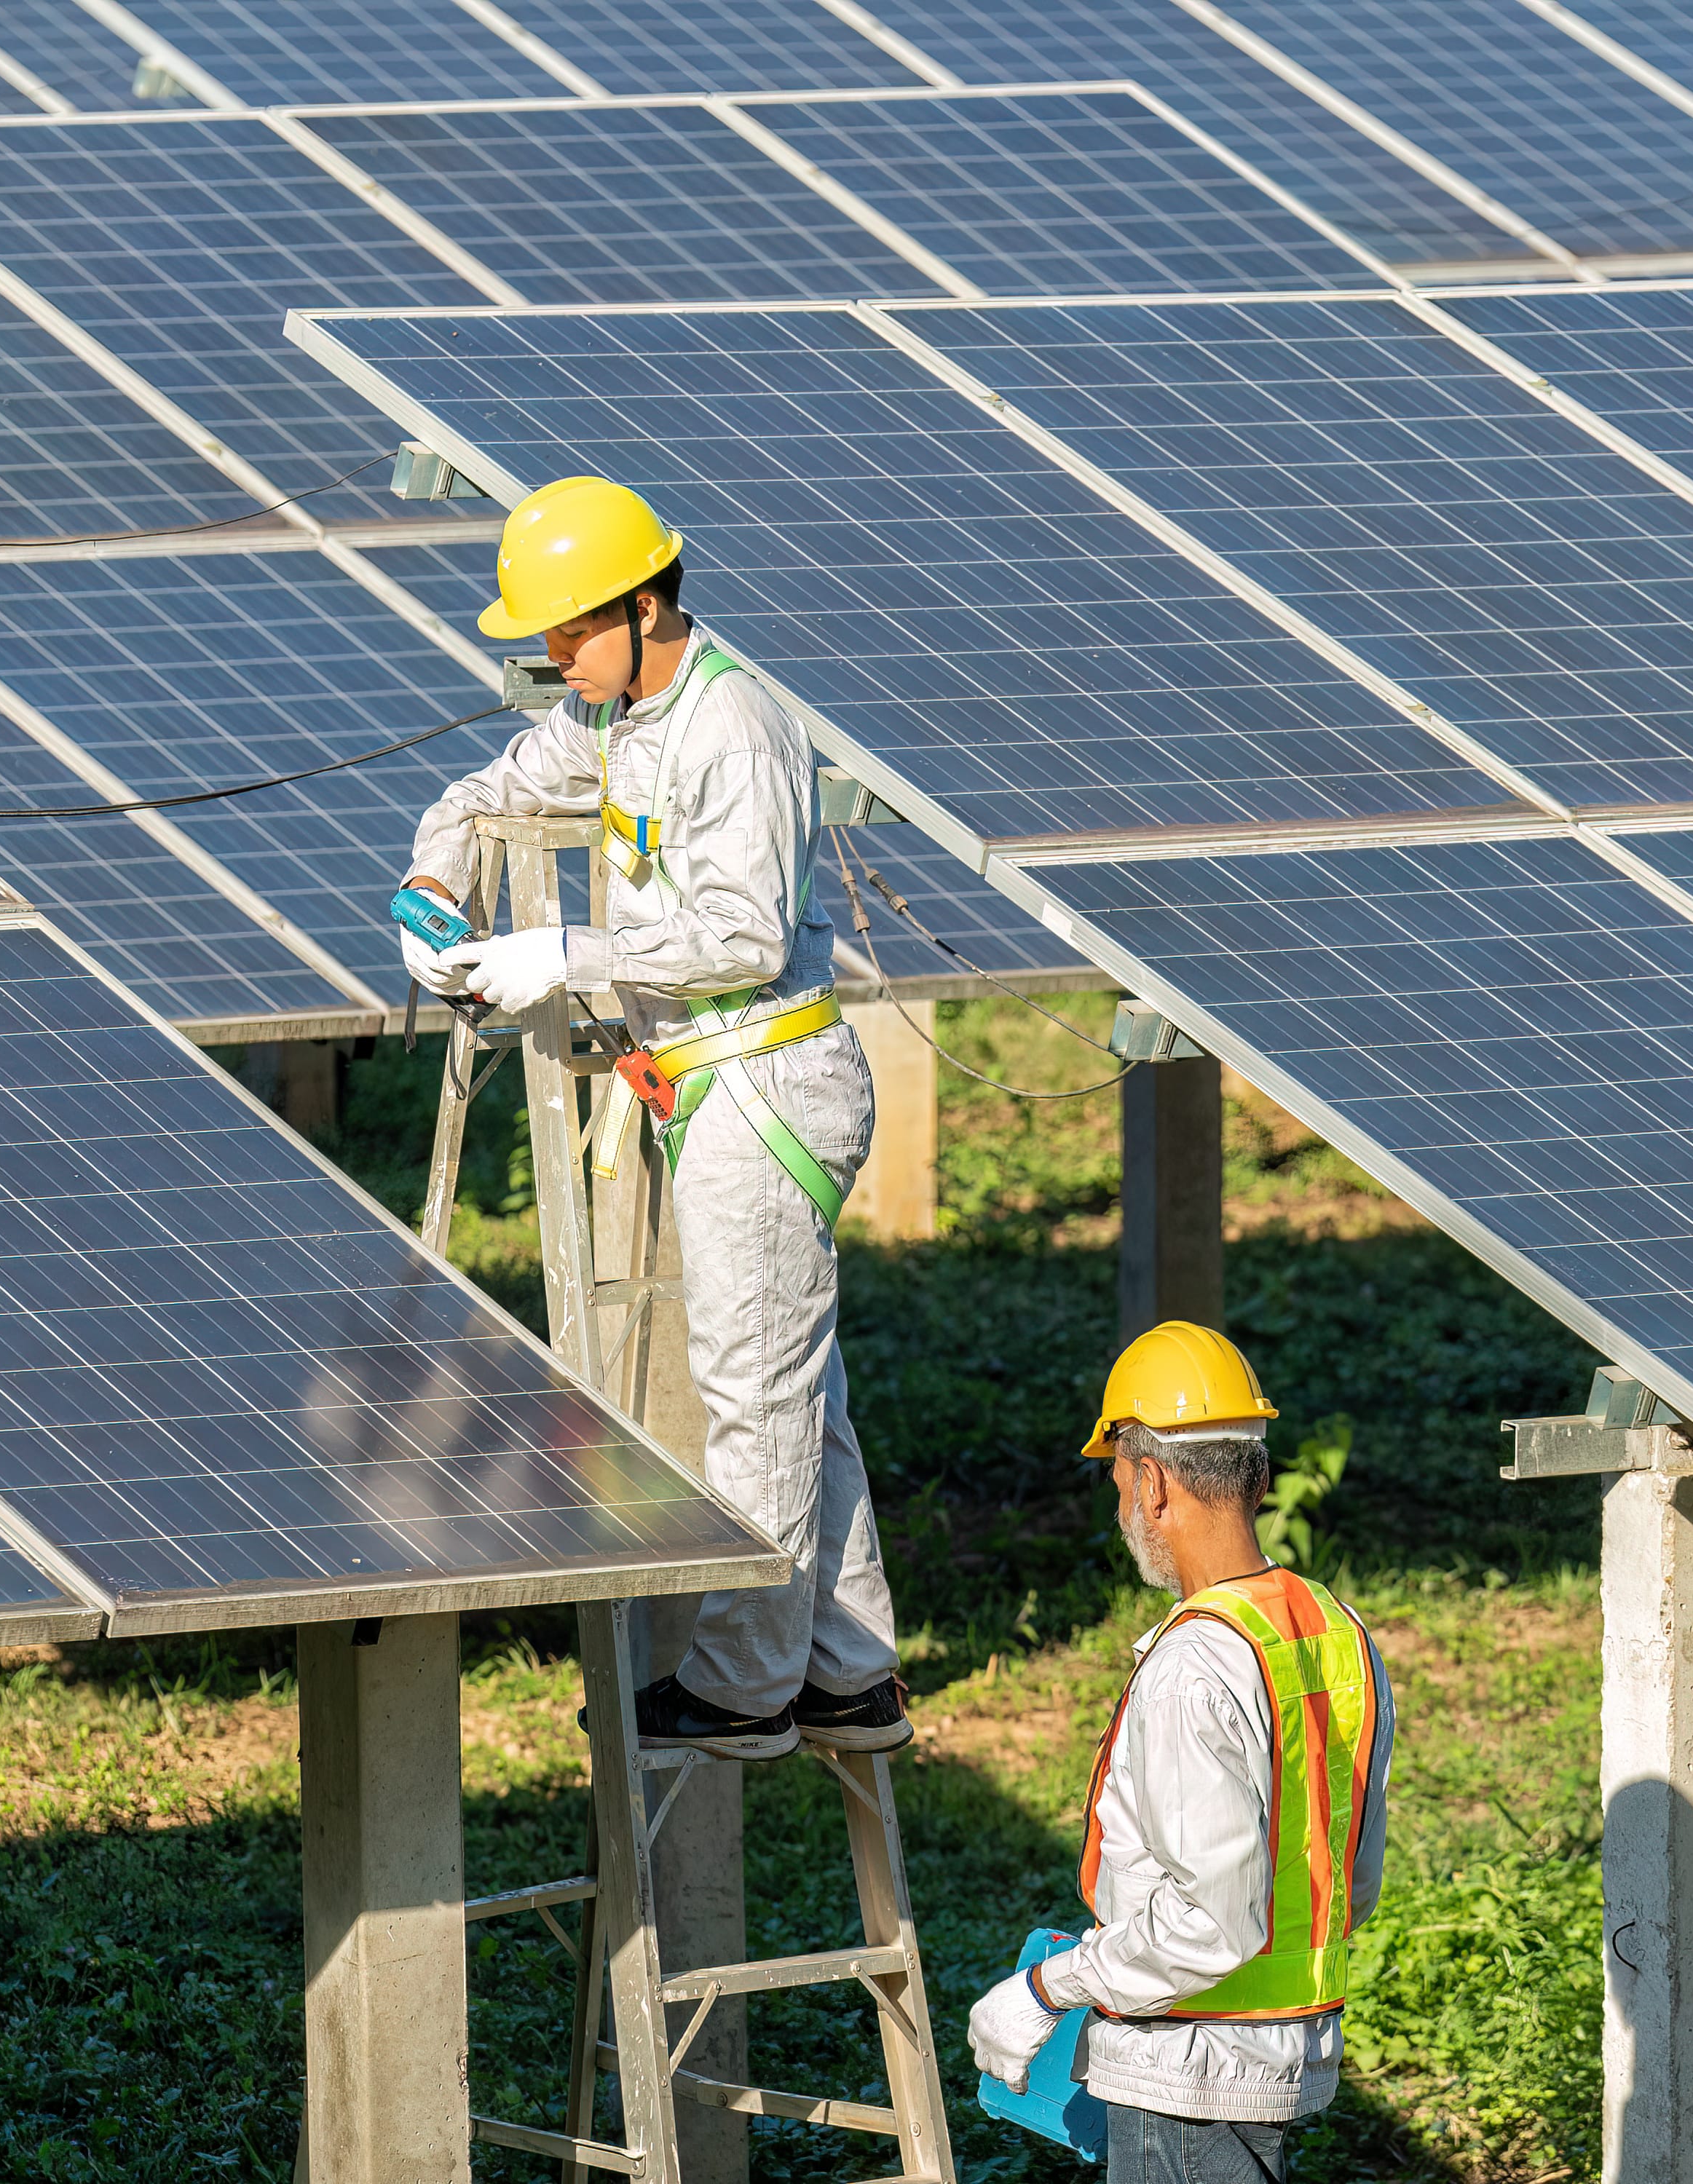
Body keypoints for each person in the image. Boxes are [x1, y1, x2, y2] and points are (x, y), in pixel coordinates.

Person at [398, 474, 904, 1762]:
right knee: (802, 1394)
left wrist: (568, 951)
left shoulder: (736, 726)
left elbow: (737, 936)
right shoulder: (623, 716)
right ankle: (849, 1666)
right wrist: (433, 880)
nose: (552, 657)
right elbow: (493, 791)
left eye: (568, 630)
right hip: (712, 1086)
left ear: (641, 604)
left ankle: (744, 1691)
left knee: (752, 1399)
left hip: (764, 1079)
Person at [967, 1322, 1394, 2183]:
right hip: (1281, 2050)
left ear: (1153, 1484)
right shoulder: (1331, 1629)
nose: (1122, 1503)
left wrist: (1051, 1988)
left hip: (1191, 2074)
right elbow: (1355, 1876)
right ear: (1258, 1473)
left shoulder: (1192, 1667)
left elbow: (1212, 1920)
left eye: (1120, 1479)